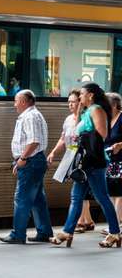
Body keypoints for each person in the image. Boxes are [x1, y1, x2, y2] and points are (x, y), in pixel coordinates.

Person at [50, 82, 121, 248]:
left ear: (91, 95)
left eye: (82, 94)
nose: (79, 97)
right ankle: (67, 231)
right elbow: (79, 132)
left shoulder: (96, 109)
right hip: (84, 161)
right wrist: (79, 122)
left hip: (94, 161)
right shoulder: (87, 111)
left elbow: (102, 134)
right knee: (76, 198)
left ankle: (115, 232)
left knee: (102, 197)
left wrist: (82, 136)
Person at [0, 89, 53, 244]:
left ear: (24, 101)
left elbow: (34, 140)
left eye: (16, 101)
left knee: (21, 198)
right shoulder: (33, 115)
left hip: (31, 161)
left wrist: (22, 158)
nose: (14, 104)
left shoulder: (30, 116)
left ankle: (18, 234)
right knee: (37, 199)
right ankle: (44, 232)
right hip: (34, 160)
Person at [47, 89, 95, 233]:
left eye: (73, 102)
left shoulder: (87, 118)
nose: (70, 105)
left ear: (80, 102)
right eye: (68, 102)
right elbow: (63, 138)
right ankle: (87, 220)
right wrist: (53, 152)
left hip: (84, 157)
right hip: (71, 155)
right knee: (81, 188)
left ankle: (81, 221)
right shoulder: (68, 119)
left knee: (81, 189)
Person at [104, 92, 122, 232]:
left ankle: (116, 225)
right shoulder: (106, 119)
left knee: (119, 193)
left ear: (115, 105)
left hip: (120, 161)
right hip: (108, 161)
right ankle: (114, 224)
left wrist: (120, 144)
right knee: (110, 192)